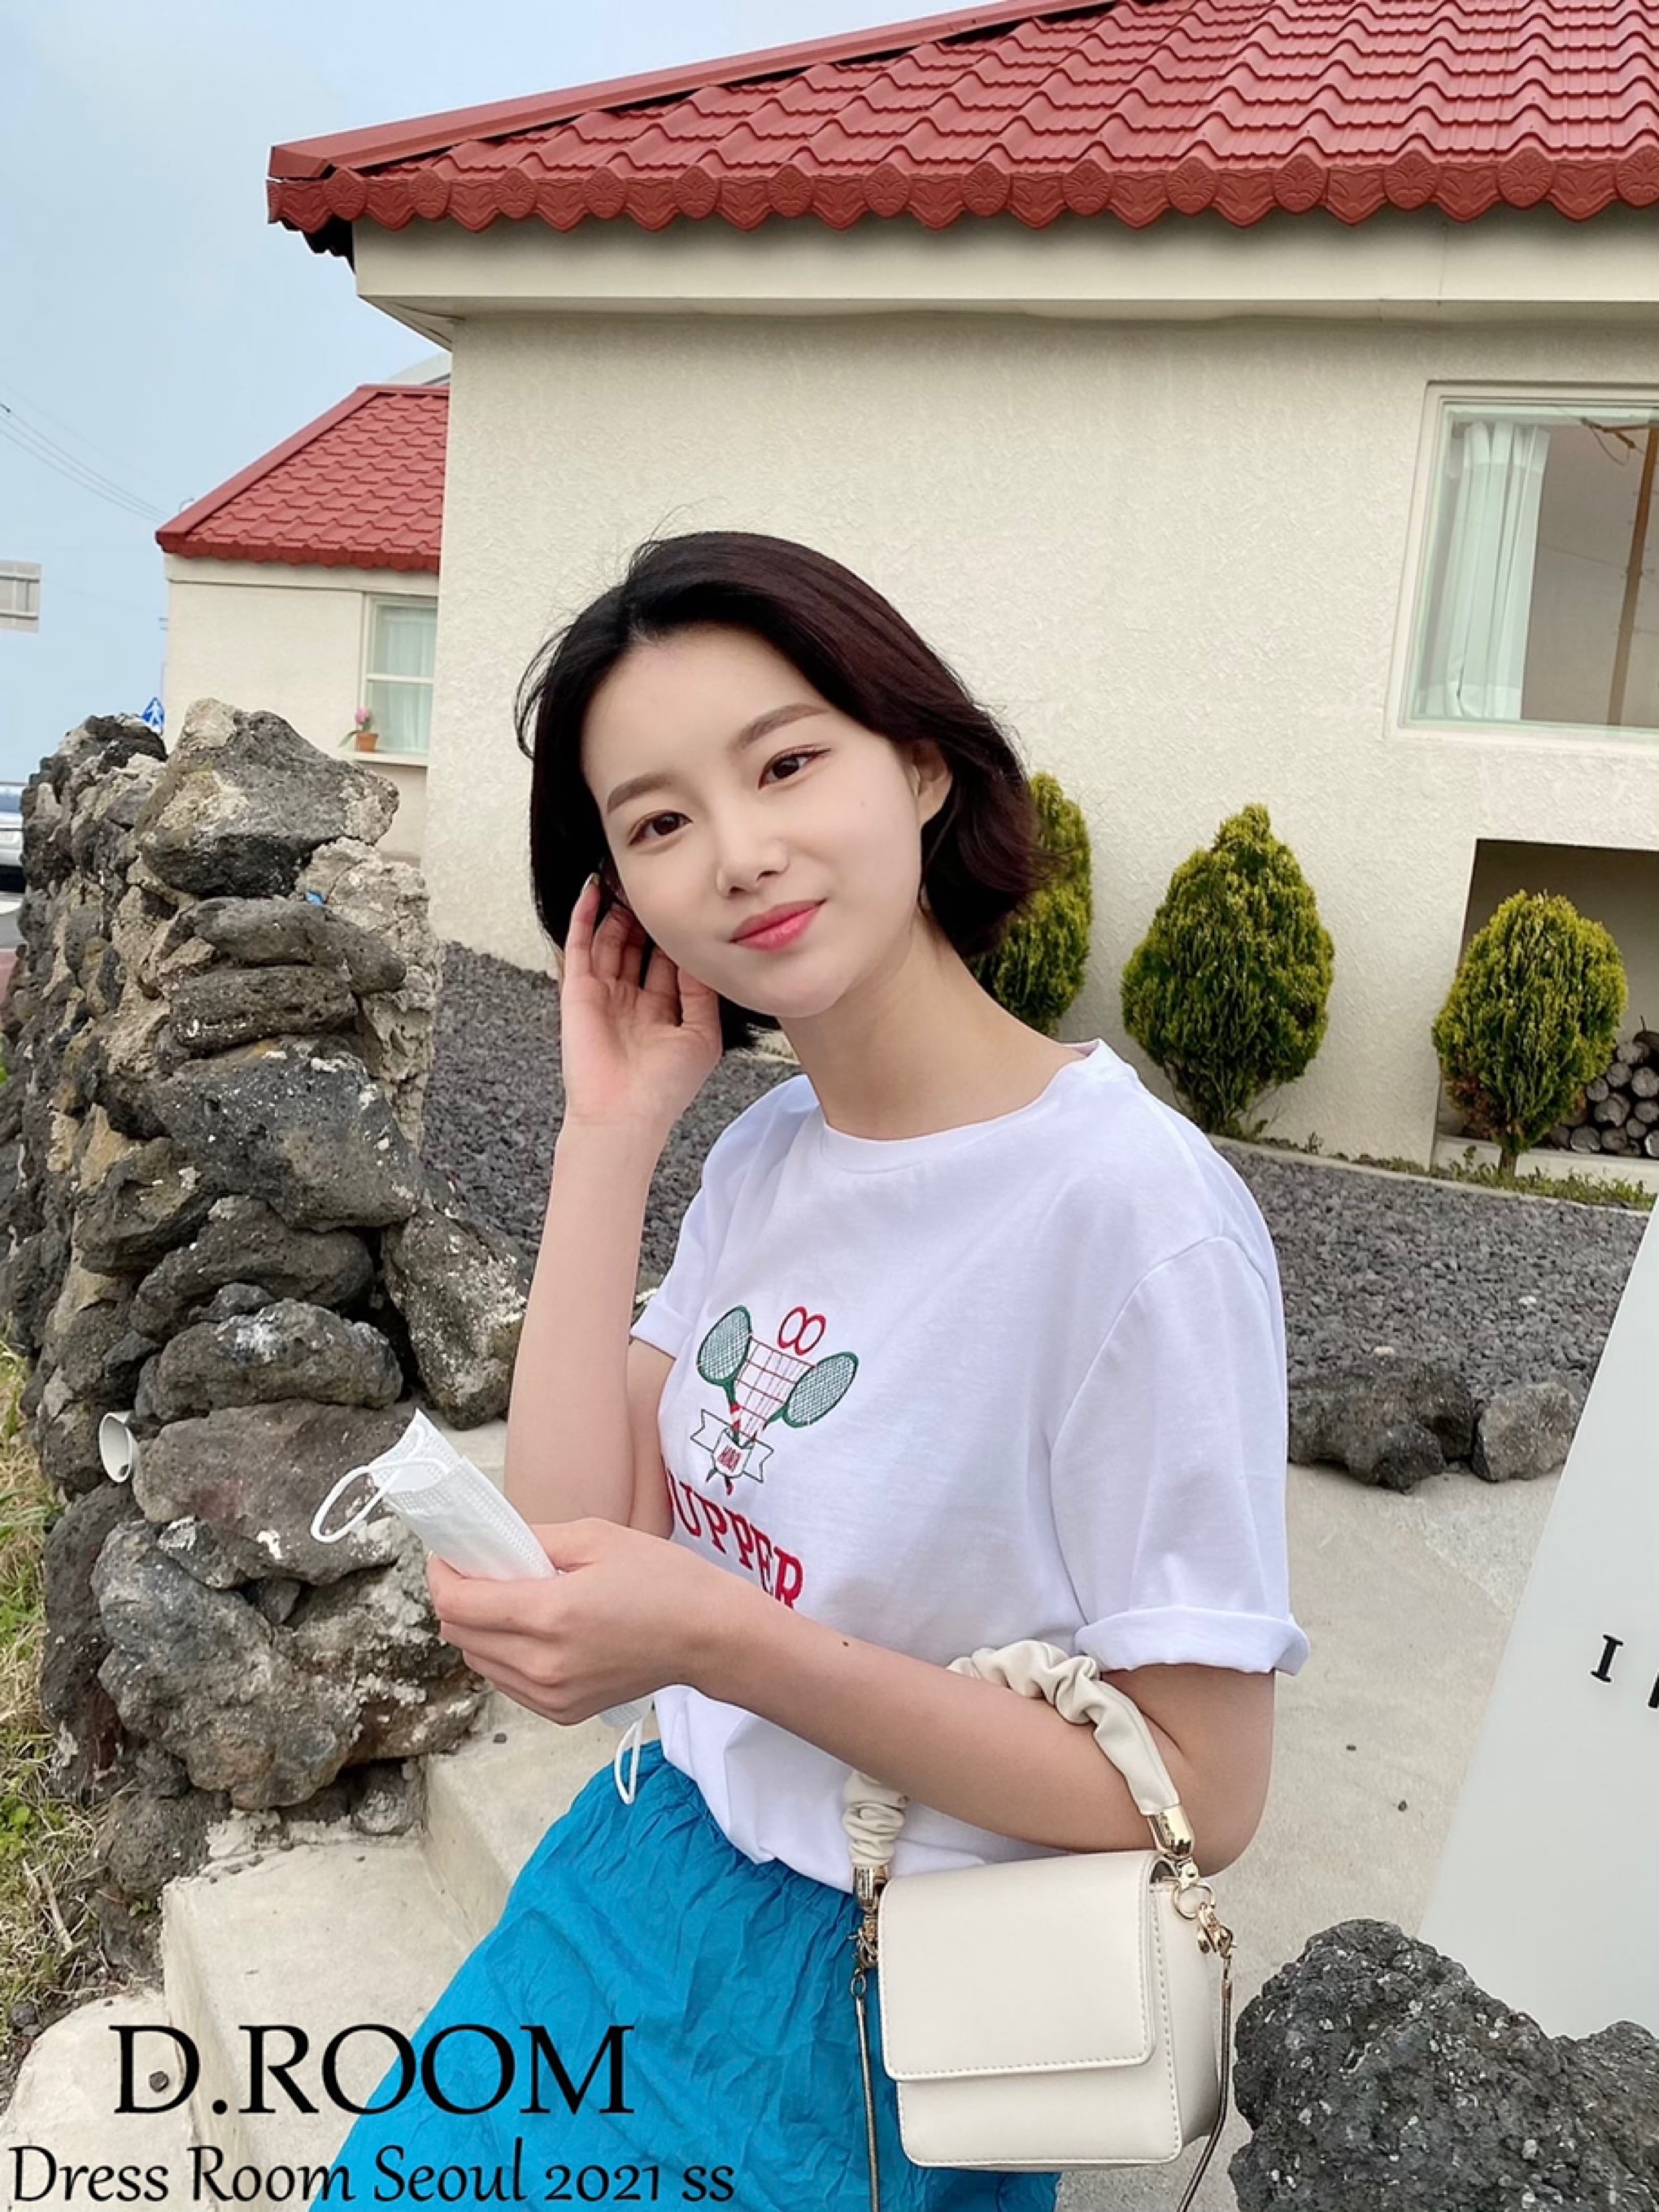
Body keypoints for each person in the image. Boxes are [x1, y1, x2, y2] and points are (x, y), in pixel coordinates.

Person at [321, 529, 1310, 2212]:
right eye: (658, 824)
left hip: (889, 1996)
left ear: (919, 763)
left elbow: (1204, 1794)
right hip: (641, 1862)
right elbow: (573, 1535)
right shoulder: (767, 1154)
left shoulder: (1137, 1217)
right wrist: (609, 1133)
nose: (739, 853)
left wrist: (724, 1639)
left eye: (785, 763)